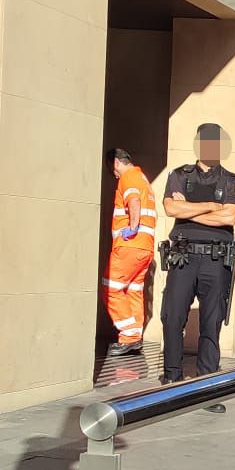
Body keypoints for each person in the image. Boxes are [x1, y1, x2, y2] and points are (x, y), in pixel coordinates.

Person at [159, 124, 235, 390]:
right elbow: (171, 208)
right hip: (183, 256)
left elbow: (229, 216)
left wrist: (189, 210)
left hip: (215, 260)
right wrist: (210, 206)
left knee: (211, 322)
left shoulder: (232, 180)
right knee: (172, 317)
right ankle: (172, 377)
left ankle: (206, 384)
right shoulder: (178, 175)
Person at [104, 148, 157, 357]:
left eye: (112, 169)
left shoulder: (129, 177)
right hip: (145, 247)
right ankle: (134, 338)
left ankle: (128, 336)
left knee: (110, 288)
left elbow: (133, 201)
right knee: (133, 290)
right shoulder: (143, 179)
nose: (114, 174)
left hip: (130, 246)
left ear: (117, 162)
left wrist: (132, 227)